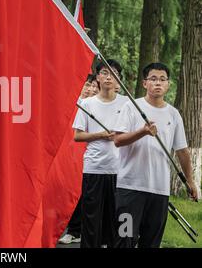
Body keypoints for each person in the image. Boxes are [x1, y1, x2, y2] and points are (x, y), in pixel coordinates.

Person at [113, 62, 198, 248]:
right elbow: (118, 140)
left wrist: (190, 181)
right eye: (153, 79)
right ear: (145, 83)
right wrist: (142, 132)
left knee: (151, 242)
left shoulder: (174, 115)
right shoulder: (131, 107)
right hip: (130, 189)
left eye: (162, 79)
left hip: (159, 191)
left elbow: (182, 151)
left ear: (168, 84)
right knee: (123, 240)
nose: (158, 83)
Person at [72, 59, 128, 248]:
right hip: (94, 168)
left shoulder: (127, 104)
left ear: (119, 80)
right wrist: (101, 135)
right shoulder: (87, 104)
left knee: (116, 221)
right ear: (97, 77)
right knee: (91, 221)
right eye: (104, 72)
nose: (108, 77)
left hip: (120, 171)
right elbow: (78, 136)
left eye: (113, 74)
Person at [59, 74, 98, 245]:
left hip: (88, 155)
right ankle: (66, 227)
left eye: (93, 86)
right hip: (67, 153)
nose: (90, 89)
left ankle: (75, 230)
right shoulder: (70, 104)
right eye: (87, 85)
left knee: (82, 192)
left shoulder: (96, 106)